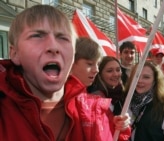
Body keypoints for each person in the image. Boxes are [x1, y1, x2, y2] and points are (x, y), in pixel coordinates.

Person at [0, 5, 129, 141]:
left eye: (63, 38)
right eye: (37, 36)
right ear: (14, 53)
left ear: (73, 55)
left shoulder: (95, 113)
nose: (53, 47)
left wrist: (119, 131)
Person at [125, 61, 164, 141]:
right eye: (137, 76)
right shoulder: (124, 101)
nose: (140, 81)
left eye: (146, 77)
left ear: (155, 80)